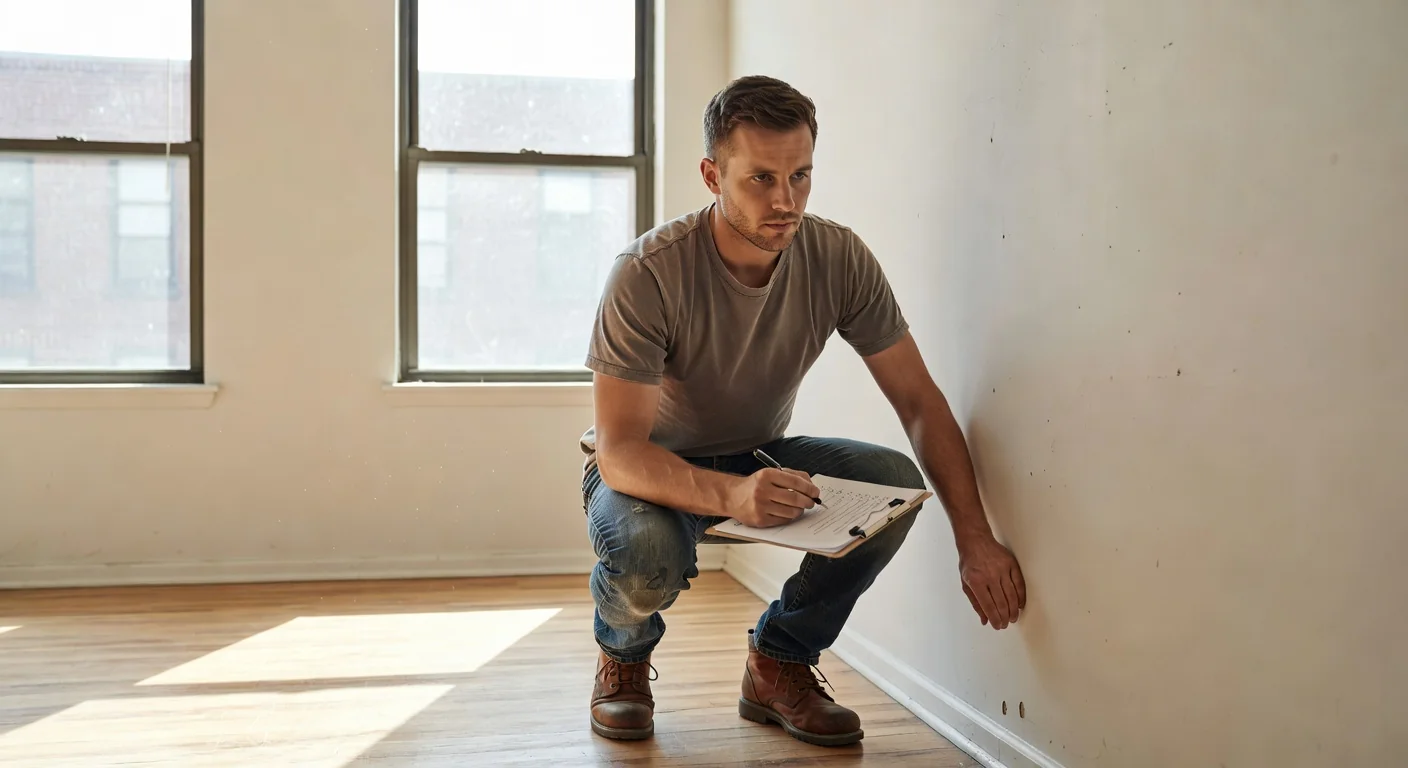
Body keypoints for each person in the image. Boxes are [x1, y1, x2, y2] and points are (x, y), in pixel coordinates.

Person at [579, 75, 1026, 747]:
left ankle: (779, 660)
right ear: (711, 175)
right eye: (760, 178)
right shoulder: (648, 272)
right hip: (647, 471)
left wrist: (975, 539)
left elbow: (919, 401)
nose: (785, 201)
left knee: (894, 484)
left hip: (757, 454)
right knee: (646, 553)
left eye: (801, 176)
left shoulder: (837, 257)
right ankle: (624, 655)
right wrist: (733, 492)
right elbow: (619, 451)